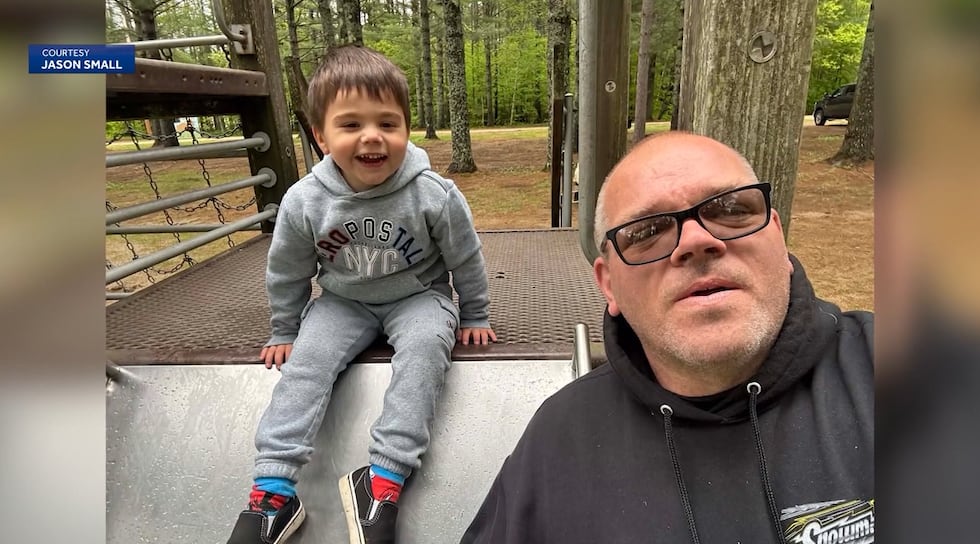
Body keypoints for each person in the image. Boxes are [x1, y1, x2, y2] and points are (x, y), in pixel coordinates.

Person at [461, 132, 873, 543]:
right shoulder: (558, 442)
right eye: (646, 231)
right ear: (608, 285)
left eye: (731, 209)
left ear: (778, 237)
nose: (697, 241)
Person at [226, 45, 496, 544]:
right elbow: (287, 271)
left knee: (425, 350)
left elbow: (465, 256)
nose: (372, 136)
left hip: (419, 296)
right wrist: (285, 329)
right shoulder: (305, 201)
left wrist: (474, 313)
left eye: (387, 123)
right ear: (320, 135)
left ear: (406, 130)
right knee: (306, 364)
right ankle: (272, 493)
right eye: (350, 124)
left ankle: (382, 482)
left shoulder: (433, 193)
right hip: (343, 301)